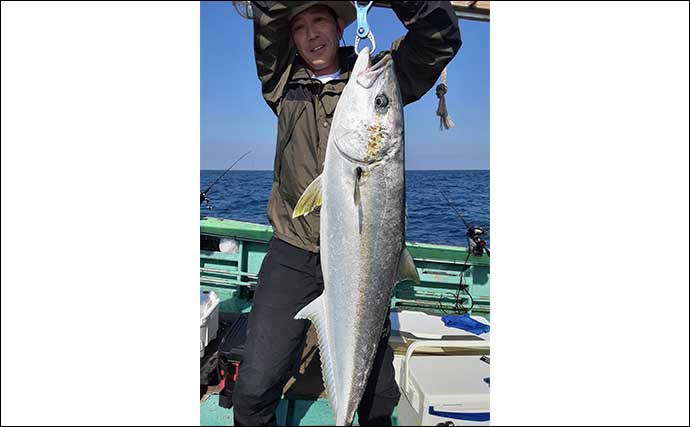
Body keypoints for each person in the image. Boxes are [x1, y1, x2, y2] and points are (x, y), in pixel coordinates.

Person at [232, 2, 461, 425]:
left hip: (366, 259)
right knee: (253, 389)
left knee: (378, 399)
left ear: (341, 24)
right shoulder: (283, 80)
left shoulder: (381, 77)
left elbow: (439, 38)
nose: (311, 34)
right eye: (298, 26)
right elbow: (266, 22)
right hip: (294, 250)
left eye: (319, 20)